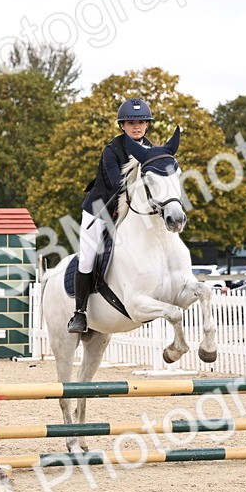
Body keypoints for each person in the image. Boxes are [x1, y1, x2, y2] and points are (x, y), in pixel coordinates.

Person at [67, 97, 154, 332]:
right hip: (101, 209)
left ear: (147, 125)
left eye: (141, 122)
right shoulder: (111, 150)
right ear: (122, 126)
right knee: (87, 257)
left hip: (132, 210)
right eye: (131, 122)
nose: (137, 127)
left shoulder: (151, 150)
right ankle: (80, 313)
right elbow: (118, 184)